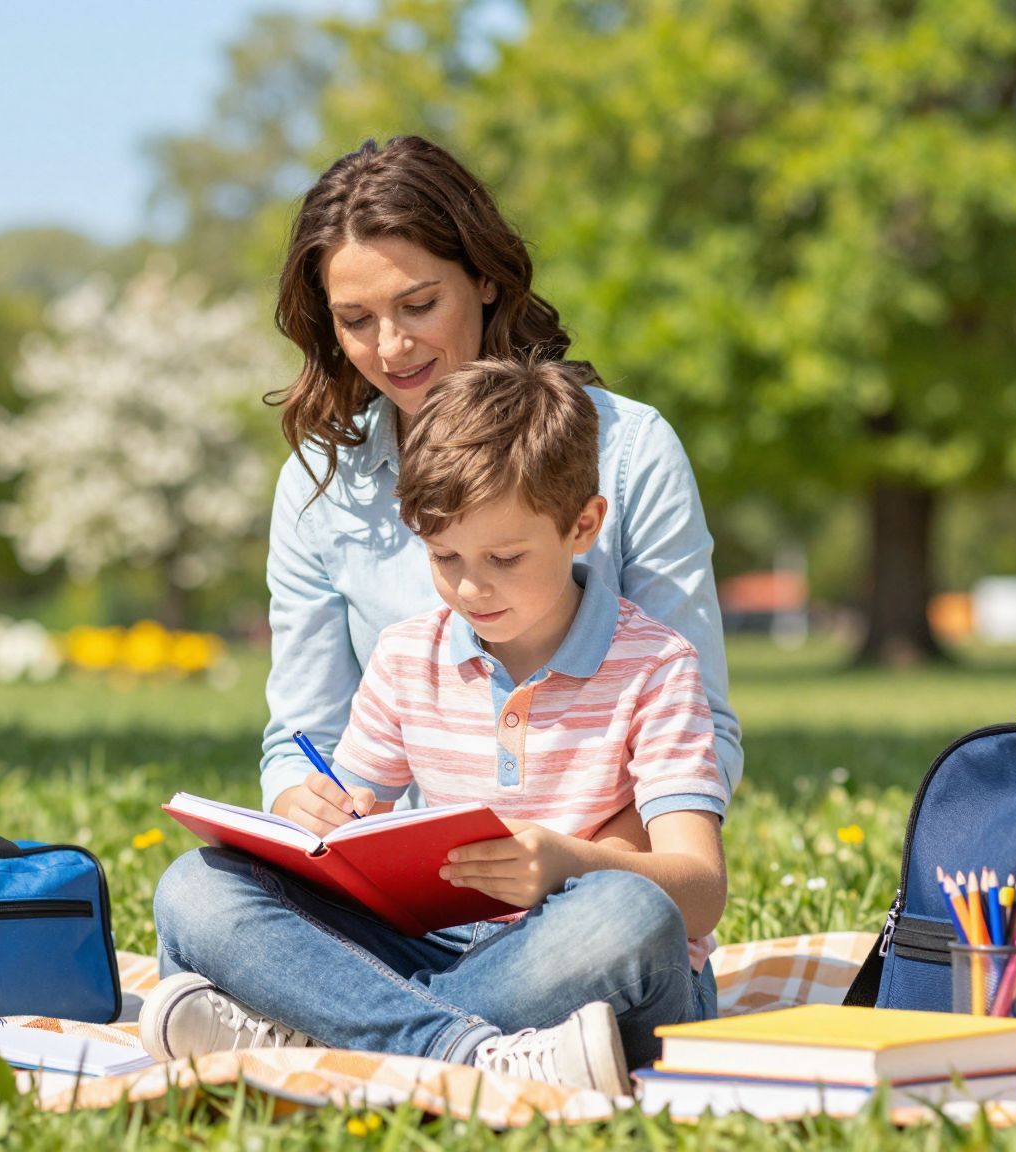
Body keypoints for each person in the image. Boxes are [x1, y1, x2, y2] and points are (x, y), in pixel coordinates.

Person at [144, 357, 727, 1093]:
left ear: (583, 525)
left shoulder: (655, 665)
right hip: (433, 947)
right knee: (196, 885)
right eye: (444, 556)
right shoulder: (406, 655)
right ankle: (465, 1053)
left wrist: (568, 864)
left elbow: (700, 890)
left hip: (579, 956)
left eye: (505, 558)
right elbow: (352, 830)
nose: (472, 587)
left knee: (632, 913)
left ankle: (331, 1034)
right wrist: (321, 820)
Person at [251, 135, 740, 838]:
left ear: (484, 278)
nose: (390, 348)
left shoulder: (629, 449)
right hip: (401, 878)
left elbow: (704, 732)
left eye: (419, 305)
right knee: (198, 885)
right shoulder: (318, 484)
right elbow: (302, 740)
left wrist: (571, 868)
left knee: (616, 904)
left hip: (589, 871)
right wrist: (302, 804)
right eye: (356, 320)